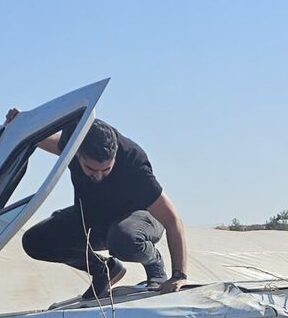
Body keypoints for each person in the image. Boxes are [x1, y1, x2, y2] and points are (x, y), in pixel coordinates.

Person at [14, 113, 188, 299]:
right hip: (96, 219)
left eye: (106, 170)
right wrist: (18, 126)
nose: (98, 176)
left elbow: (172, 219)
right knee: (35, 241)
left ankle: (154, 262)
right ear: (77, 153)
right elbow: (50, 142)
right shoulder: (73, 142)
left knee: (123, 238)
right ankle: (104, 270)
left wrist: (179, 275)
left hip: (140, 219)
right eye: (91, 169)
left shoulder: (133, 162)